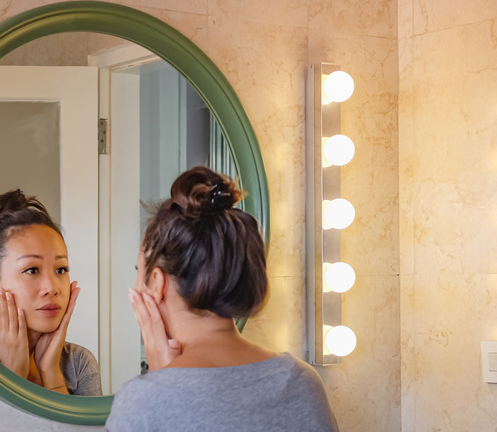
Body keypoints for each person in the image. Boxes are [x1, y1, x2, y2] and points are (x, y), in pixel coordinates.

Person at [106, 166, 338, 431]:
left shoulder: (141, 403)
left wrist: (161, 385)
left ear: (157, 283)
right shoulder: (302, 382)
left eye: (139, 270)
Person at [0, 189, 102, 396]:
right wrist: (13, 377)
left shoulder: (79, 363)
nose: (52, 288)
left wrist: (51, 371)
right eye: (32, 270)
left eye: (61, 270)